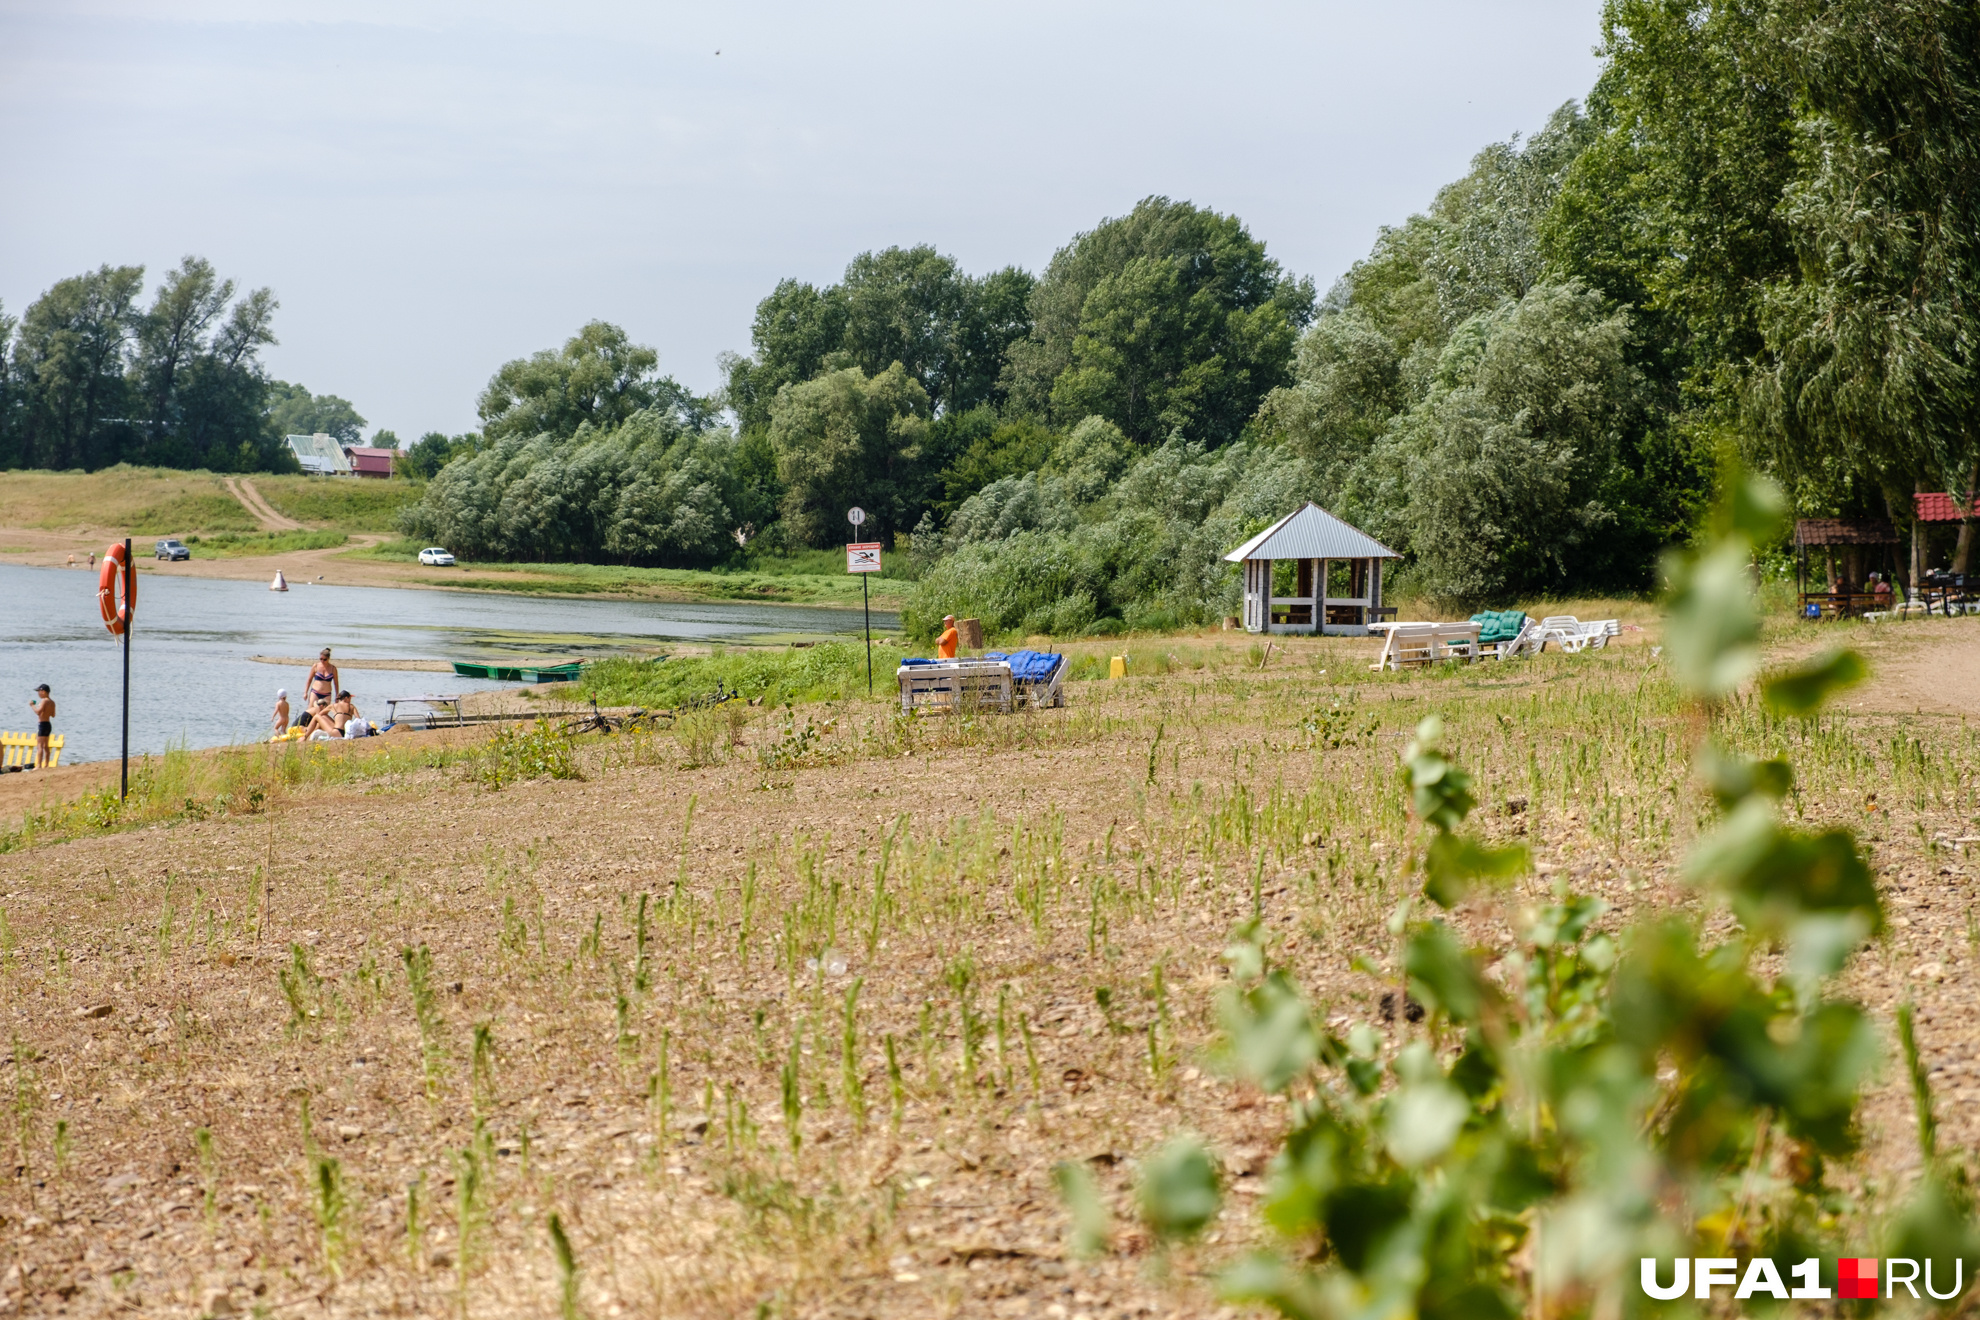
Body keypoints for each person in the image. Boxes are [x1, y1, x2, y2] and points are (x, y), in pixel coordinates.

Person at [304, 648, 340, 714]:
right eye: (321, 659)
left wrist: (337, 695)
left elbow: (336, 683)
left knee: (323, 714)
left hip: (327, 694)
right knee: (310, 712)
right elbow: (309, 680)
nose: (322, 661)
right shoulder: (316, 666)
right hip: (315, 692)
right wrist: (305, 692)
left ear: (328, 659)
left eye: (324, 659)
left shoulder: (333, 668)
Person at [27, 685, 53, 770]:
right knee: (46, 746)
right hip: (48, 724)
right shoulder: (52, 702)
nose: (38, 693)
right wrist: (46, 712)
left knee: (40, 745)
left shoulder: (44, 701)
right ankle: (46, 764)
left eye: (39, 691)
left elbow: (38, 712)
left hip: (42, 724)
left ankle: (38, 765)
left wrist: (32, 705)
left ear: (43, 691)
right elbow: (53, 715)